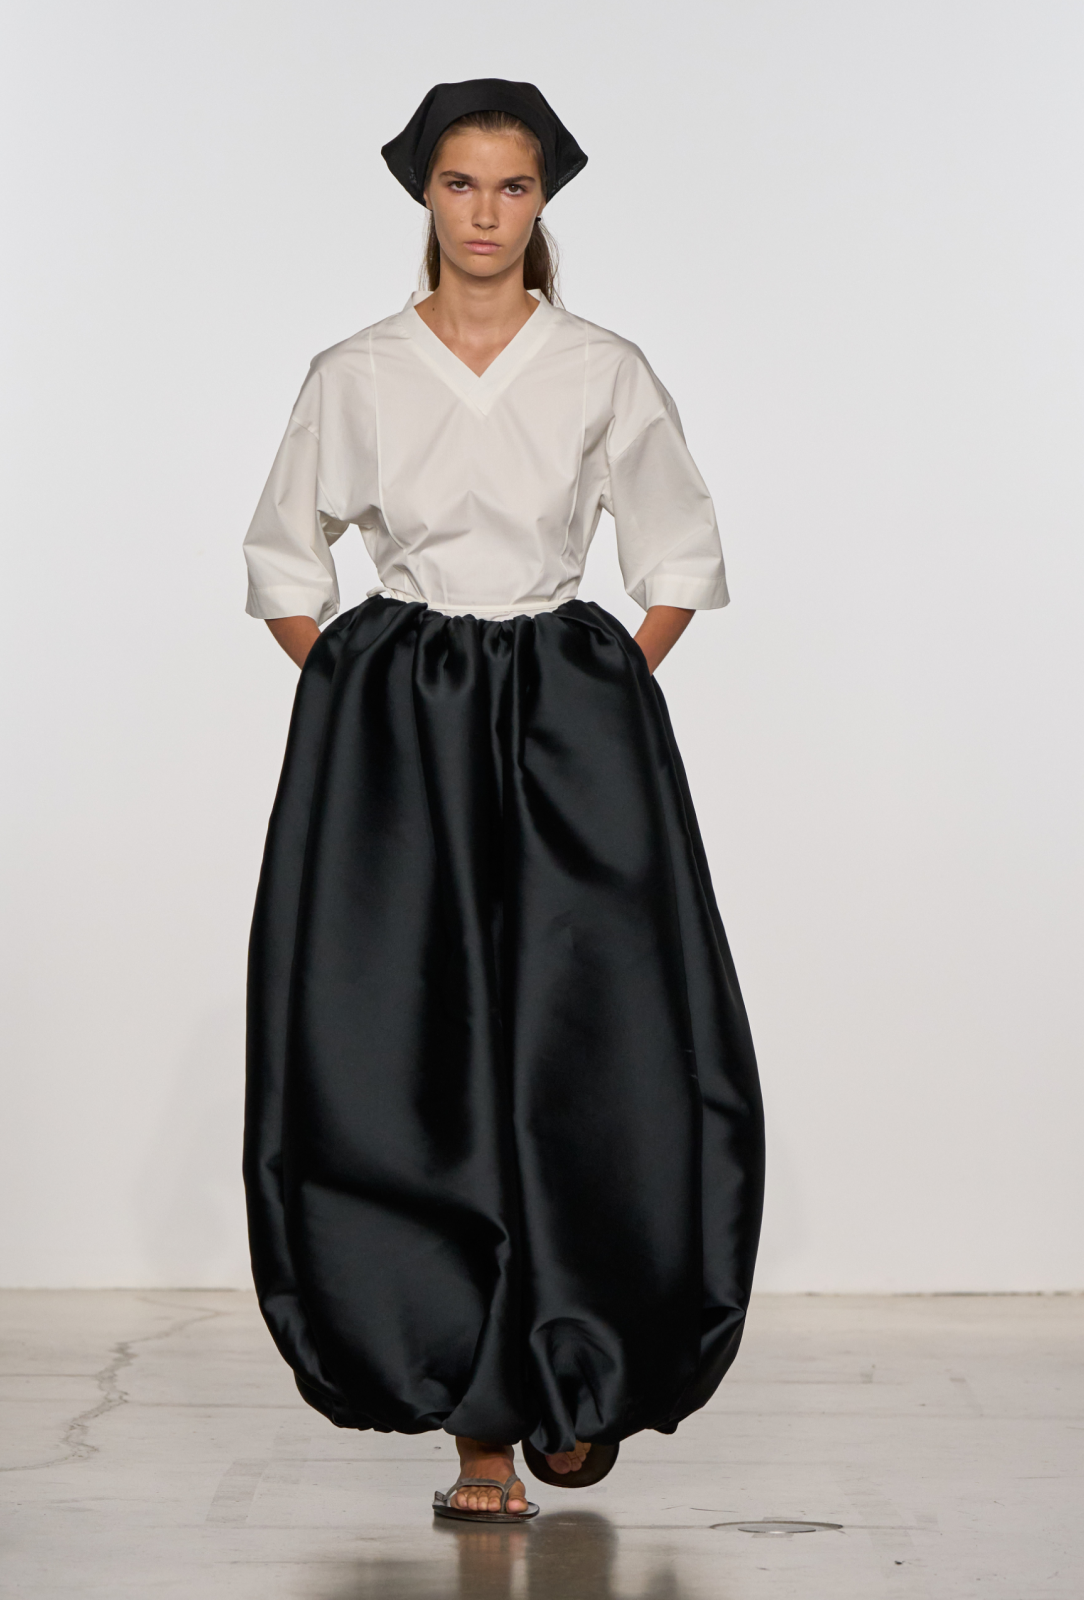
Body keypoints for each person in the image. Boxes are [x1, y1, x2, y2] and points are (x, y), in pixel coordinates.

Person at [242, 79, 764, 1524]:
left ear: (545, 201)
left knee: (584, 1033)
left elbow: (676, 549)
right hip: (404, 719)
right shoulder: (358, 369)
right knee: (418, 1040)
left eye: (512, 187)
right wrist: (361, 697)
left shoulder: (599, 365)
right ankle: (482, 1425)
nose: (485, 213)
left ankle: (578, 1359)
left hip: (559, 714)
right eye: (460, 184)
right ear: (425, 194)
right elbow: (286, 559)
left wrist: (598, 693)